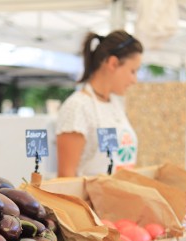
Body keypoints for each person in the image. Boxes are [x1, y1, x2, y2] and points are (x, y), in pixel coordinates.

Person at [55, 30, 143, 177]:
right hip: (88, 200)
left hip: (118, 197)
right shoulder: (77, 107)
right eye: (132, 71)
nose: (135, 80)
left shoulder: (116, 104)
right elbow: (66, 176)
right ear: (113, 63)